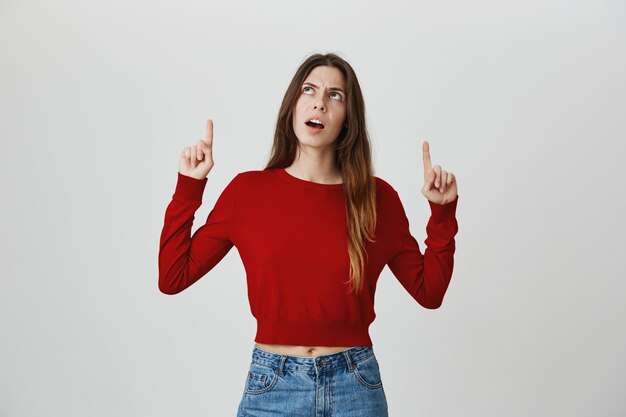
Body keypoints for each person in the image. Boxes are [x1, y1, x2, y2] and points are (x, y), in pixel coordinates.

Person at [158, 52, 459, 416]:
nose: (319, 101)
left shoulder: (377, 199)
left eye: (335, 95)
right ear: (293, 105)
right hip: (272, 387)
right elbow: (173, 277)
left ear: (348, 119)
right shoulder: (247, 193)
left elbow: (429, 292)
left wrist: (442, 214)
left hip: (355, 387)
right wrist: (190, 187)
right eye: (309, 89)